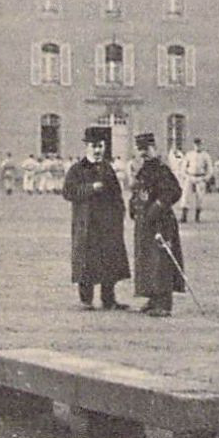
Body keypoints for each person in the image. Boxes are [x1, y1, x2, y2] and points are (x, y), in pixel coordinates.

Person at [62, 126, 130, 311]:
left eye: (101, 146)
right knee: (86, 260)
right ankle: (86, 299)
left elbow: (117, 195)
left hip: (108, 224)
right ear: (87, 147)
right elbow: (68, 192)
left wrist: (119, 215)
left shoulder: (108, 169)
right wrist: (91, 188)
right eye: (94, 146)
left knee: (110, 259)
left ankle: (109, 299)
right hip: (87, 223)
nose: (98, 150)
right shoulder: (77, 169)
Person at [130, 133, 185, 317]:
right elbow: (137, 191)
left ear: (154, 148)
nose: (144, 153)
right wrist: (134, 206)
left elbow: (174, 192)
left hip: (161, 223)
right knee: (147, 261)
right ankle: (152, 297)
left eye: (147, 149)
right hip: (145, 223)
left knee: (161, 262)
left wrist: (157, 206)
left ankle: (164, 303)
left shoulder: (162, 170)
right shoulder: (143, 171)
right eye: (141, 150)